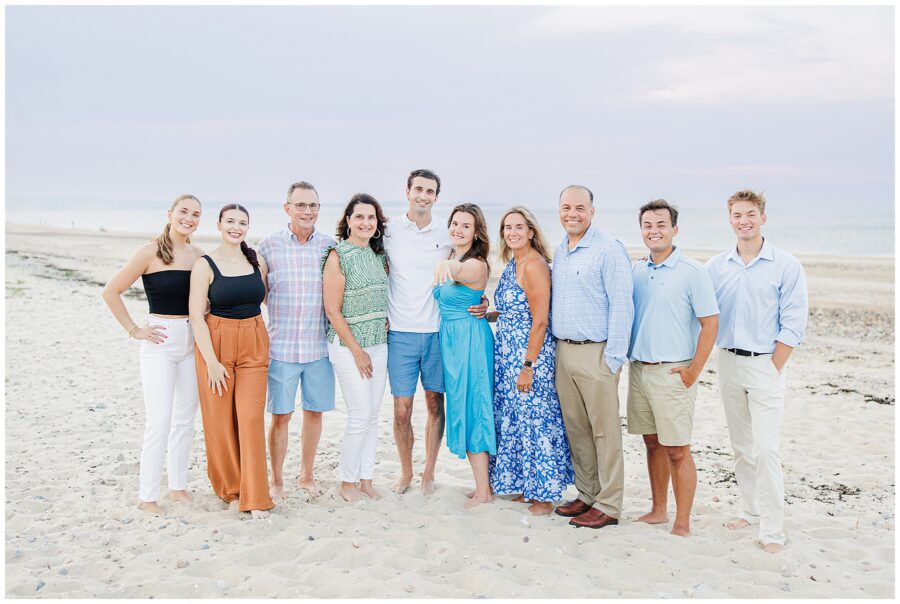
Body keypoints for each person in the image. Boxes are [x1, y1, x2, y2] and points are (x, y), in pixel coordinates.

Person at [705, 190, 808, 553]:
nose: (743, 220)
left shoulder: (786, 264)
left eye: (750, 214)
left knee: (766, 449)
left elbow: (794, 323)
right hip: (728, 362)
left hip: (766, 363)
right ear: (730, 219)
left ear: (763, 218)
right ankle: (749, 509)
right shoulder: (716, 266)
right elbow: (693, 300)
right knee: (741, 446)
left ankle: (773, 529)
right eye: (736, 215)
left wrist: (774, 366)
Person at [383, 169, 487, 495]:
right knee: (402, 410)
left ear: (436, 197)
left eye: (430, 191)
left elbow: (468, 266)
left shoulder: (448, 229)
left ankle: (428, 472)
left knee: (434, 405)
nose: (423, 196)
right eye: (418, 189)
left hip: (437, 333)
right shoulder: (388, 230)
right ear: (408, 191)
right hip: (399, 331)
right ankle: (405, 472)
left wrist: (482, 301)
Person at [102, 194, 204, 514]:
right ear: (170, 214)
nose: (189, 218)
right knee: (159, 421)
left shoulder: (200, 256)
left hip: (192, 343)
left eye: (195, 214)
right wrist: (135, 330)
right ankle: (147, 496)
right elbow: (111, 291)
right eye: (184, 212)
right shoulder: (149, 252)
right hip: (159, 342)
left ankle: (178, 487)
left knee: (185, 420)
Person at [627, 199, 719, 536]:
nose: (654, 231)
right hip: (639, 370)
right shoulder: (636, 270)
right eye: (648, 225)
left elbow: (710, 324)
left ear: (674, 229)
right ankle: (658, 510)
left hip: (674, 372)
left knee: (678, 449)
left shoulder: (693, 272)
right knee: (651, 443)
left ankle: (683, 520)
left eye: (661, 225)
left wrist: (694, 371)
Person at [551, 185, 634, 529]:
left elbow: (622, 305)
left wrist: (613, 359)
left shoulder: (609, 249)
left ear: (592, 211)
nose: (572, 213)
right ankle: (587, 493)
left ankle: (610, 504)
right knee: (577, 429)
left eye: (579, 208)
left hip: (597, 353)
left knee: (605, 432)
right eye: (566, 207)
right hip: (563, 352)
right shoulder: (560, 251)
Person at [189, 204, 274, 519]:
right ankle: (232, 491)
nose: (236, 227)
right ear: (219, 224)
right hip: (217, 346)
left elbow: (265, 299)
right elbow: (196, 317)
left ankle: (256, 496)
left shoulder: (257, 262)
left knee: (251, 419)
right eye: (230, 222)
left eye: (242, 223)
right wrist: (211, 362)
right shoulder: (204, 265)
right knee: (221, 422)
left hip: (254, 342)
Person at [488, 207, 574, 516]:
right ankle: (529, 486)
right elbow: (517, 309)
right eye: (507, 227)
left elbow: (539, 321)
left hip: (529, 355)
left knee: (537, 420)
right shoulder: (514, 263)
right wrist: (490, 313)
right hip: (508, 353)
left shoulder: (535, 265)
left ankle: (545, 495)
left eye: (518, 227)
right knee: (520, 420)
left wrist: (528, 366)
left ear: (531, 232)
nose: (512, 232)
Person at [258, 181, 337, 500]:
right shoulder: (269, 245)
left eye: (313, 205)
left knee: (315, 413)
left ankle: (306, 475)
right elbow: (258, 294)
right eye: (300, 205)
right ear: (287, 208)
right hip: (282, 348)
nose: (307, 211)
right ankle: (276, 480)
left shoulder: (330, 246)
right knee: (281, 416)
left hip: (320, 348)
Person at [322, 193, 390, 503]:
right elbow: (333, 310)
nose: (365, 222)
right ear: (348, 221)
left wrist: (385, 321)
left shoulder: (379, 256)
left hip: (379, 342)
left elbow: (382, 296)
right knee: (360, 414)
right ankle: (346, 482)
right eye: (359, 216)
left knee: (373, 415)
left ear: (377, 224)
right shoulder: (338, 255)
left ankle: (366, 478)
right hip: (349, 347)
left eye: (371, 217)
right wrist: (357, 351)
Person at [432, 203, 496, 508]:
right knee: (461, 404)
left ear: (476, 231)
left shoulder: (475, 264)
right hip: (452, 340)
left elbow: (457, 273)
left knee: (475, 407)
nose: (458, 229)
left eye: (466, 225)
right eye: (455, 223)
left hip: (470, 340)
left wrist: (446, 267)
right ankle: (480, 485)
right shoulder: (450, 254)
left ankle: (484, 491)